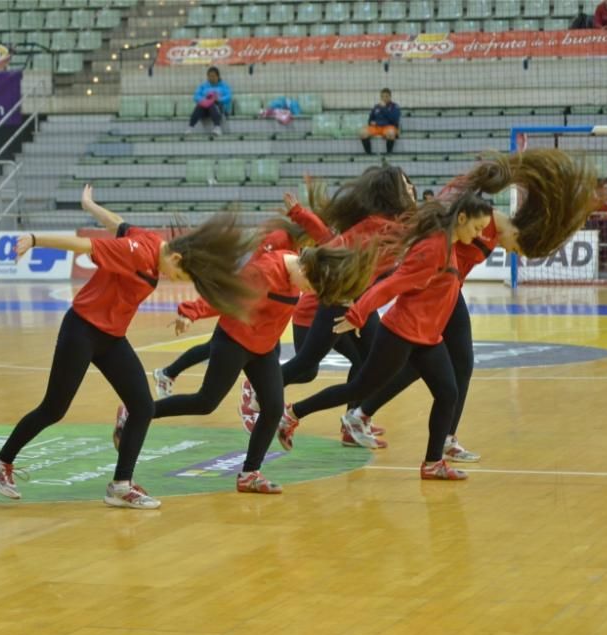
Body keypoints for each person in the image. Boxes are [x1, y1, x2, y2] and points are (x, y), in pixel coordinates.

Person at [0, 186, 256, 509]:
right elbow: (85, 245)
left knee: (142, 406)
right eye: (179, 275)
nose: (174, 279)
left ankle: (121, 485)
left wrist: (90, 205)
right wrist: (35, 239)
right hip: (82, 330)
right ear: (177, 257)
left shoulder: (153, 244)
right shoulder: (136, 252)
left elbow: (118, 224)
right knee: (53, 409)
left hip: (111, 338)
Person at [337, 150, 599, 463]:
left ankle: (368, 416)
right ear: (515, 230)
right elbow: (443, 216)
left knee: (438, 365)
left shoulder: (488, 228)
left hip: (448, 293)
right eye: (515, 247)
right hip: (436, 291)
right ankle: (378, 420)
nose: (511, 251)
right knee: (449, 364)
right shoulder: (477, 218)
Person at [122, 239, 379, 494]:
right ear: (304, 270)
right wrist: (191, 311)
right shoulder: (265, 271)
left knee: (273, 408)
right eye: (310, 286)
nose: (309, 291)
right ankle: (138, 412)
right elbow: (227, 297)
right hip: (234, 340)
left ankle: (249, 474)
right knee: (205, 402)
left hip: (264, 347)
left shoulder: (302, 268)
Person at [276, 193, 494, 481]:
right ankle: (293, 414)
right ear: (462, 219)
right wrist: (358, 313)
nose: (479, 235)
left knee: (448, 393)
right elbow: (392, 284)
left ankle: (432, 463)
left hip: (428, 337)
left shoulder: (449, 243)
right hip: (401, 333)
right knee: (360, 387)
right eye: (477, 228)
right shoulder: (433, 249)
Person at [238, 165, 417, 445]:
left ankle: (353, 422)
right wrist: (302, 221)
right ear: (392, 192)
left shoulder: (399, 223)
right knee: (307, 366)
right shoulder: (375, 224)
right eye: (405, 183)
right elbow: (332, 244)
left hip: (357, 301)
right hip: (336, 299)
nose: (411, 187)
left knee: (369, 361)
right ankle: (256, 389)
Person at [152, 215, 329, 399]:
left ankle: (168, 373)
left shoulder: (299, 250)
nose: (317, 241)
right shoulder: (280, 238)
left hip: (266, 307)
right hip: (251, 299)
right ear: (306, 231)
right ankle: (168, 373)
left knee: (219, 348)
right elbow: (256, 266)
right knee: (216, 352)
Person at [187, 66, 232, 137]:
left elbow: (228, 97)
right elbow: (196, 96)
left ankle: (217, 127)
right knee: (199, 106)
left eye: (213, 76)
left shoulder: (224, 86)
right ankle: (190, 128)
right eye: (209, 76)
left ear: (218, 76)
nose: (211, 78)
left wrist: (218, 99)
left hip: (219, 108)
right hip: (205, 109)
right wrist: (204, 100)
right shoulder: (203, 86)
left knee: (212, 104)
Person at [587, 178, 607, 266]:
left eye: (606, 188)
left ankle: (603, 255)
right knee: (592, 224)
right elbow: (589, 213)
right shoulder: (594, 199)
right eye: (603, 188)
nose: (605, 189)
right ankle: (594, 254)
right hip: (597, 221)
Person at [360, 88, 401, 155]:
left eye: (386, 96)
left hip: (388, 127)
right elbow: (370, 120)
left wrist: (384, 108)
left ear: (390, 97)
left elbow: (394, 120)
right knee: (363, 132)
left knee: (390, 133)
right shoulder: (376, 107)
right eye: (382, 96)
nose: (384, 98)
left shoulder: (395, 107)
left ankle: (389, 154)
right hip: (376, 127)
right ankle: (369, 154)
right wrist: (372, 122)